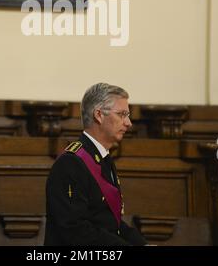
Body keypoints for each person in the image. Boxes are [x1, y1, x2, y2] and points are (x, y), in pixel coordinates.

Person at [44, 82, 147, 246]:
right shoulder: (71, 163)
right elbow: (75, 230)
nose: (128, 123)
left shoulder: (103, 159)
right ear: (99, 115)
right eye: (122, 114)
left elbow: (112, 223)